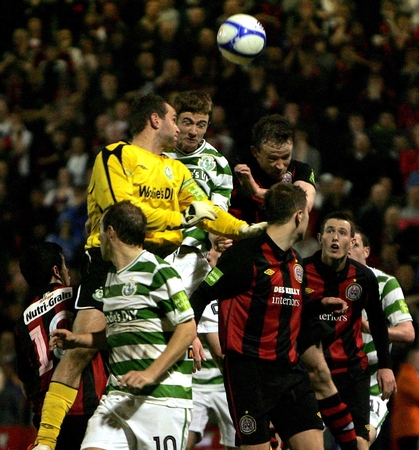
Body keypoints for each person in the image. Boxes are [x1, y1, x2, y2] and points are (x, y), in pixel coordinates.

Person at [30, 94, 263, 450]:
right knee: (78, 352)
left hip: (152, 264)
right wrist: (179, 222)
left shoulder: (176, 169)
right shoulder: (115, 156)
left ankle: (129, 425)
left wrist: (242, 229)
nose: (180, 128)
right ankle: (45, 441)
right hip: (107, 262)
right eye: (174, 119)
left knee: (142, 345)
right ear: (155, 120)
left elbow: (206, 211)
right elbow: (122, 214)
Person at [190, 183, 359, 450]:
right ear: (299, 216)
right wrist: (191, 336)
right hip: (250, 375)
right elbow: (200, 296)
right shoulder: (244, 256)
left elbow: (291, 303)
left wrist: (319, 304)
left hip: (290, 371)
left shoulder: (295, 260)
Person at [49, 200, 197, 450]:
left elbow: (187, 328)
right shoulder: (111, 278)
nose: (96, 239)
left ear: (111, 232)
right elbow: (118, 334)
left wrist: (150, 373)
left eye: (100, 230)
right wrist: (80, 340)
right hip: (118, 399)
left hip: (161, 403)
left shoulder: (158, 270)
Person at [161, 91, 238, 450]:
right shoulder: (157, 155)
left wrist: (218, 242)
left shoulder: (218, 164)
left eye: (201, 124)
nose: (193, 131)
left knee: (218, 348)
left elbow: (218, 217)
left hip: (195, 261)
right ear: (176, 121)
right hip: (159, 256)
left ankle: (253, 409)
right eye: (188, 122)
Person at [303, 212, 396, 450]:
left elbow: (377, 322)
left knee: (358, 442)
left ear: (352, 242)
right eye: (330, 231)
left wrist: (385, 366)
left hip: (351, 371)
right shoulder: (301, 272)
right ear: (319, 237)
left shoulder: (364, 277)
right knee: (308, 441)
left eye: (342, 233)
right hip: (310, 372)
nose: (335, 238)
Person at [14, 242, 108, 450]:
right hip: (87, 410)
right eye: (64, 266)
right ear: (56, 271)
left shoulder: (22, 322)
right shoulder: (81, 296)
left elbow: (26, 384)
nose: (68, 272)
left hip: (46, 418)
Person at [348, 230, 415, 445]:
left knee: (362, 437)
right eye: (346, 244)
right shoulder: (327, 281)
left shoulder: (385, 283)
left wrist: (370, 329)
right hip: (331, 372)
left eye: (355, 244)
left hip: (371, 377)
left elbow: (407, 332)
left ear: (367, 251)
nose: (349, 249)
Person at [230, 114, 317, 224]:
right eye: (272, 159)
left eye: (285, 157)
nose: (280, 166)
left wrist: (257, 192)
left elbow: (304, 204)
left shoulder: (302, 170)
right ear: (255, 152)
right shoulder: (237, 170)